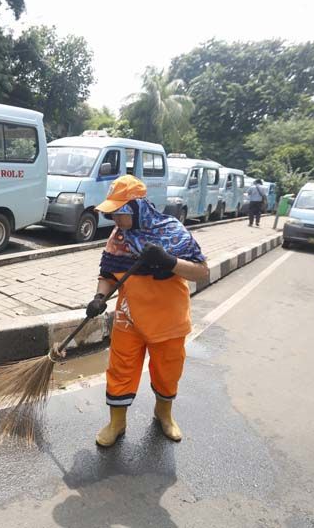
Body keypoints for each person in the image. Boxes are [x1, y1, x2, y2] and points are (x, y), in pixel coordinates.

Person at [84, 175, 209, 446]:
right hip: (128, 318)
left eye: (120, 213)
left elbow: (201, 272)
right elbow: (108, 273)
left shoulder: (172, 230)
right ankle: (116, 422)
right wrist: (99, 296)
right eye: (113, 213)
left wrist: (168, 261)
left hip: (168, 320)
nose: (115, 220)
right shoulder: (118, 237)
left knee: (167, 371)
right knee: (120, 370)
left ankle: (164, 414)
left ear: (138, 208)